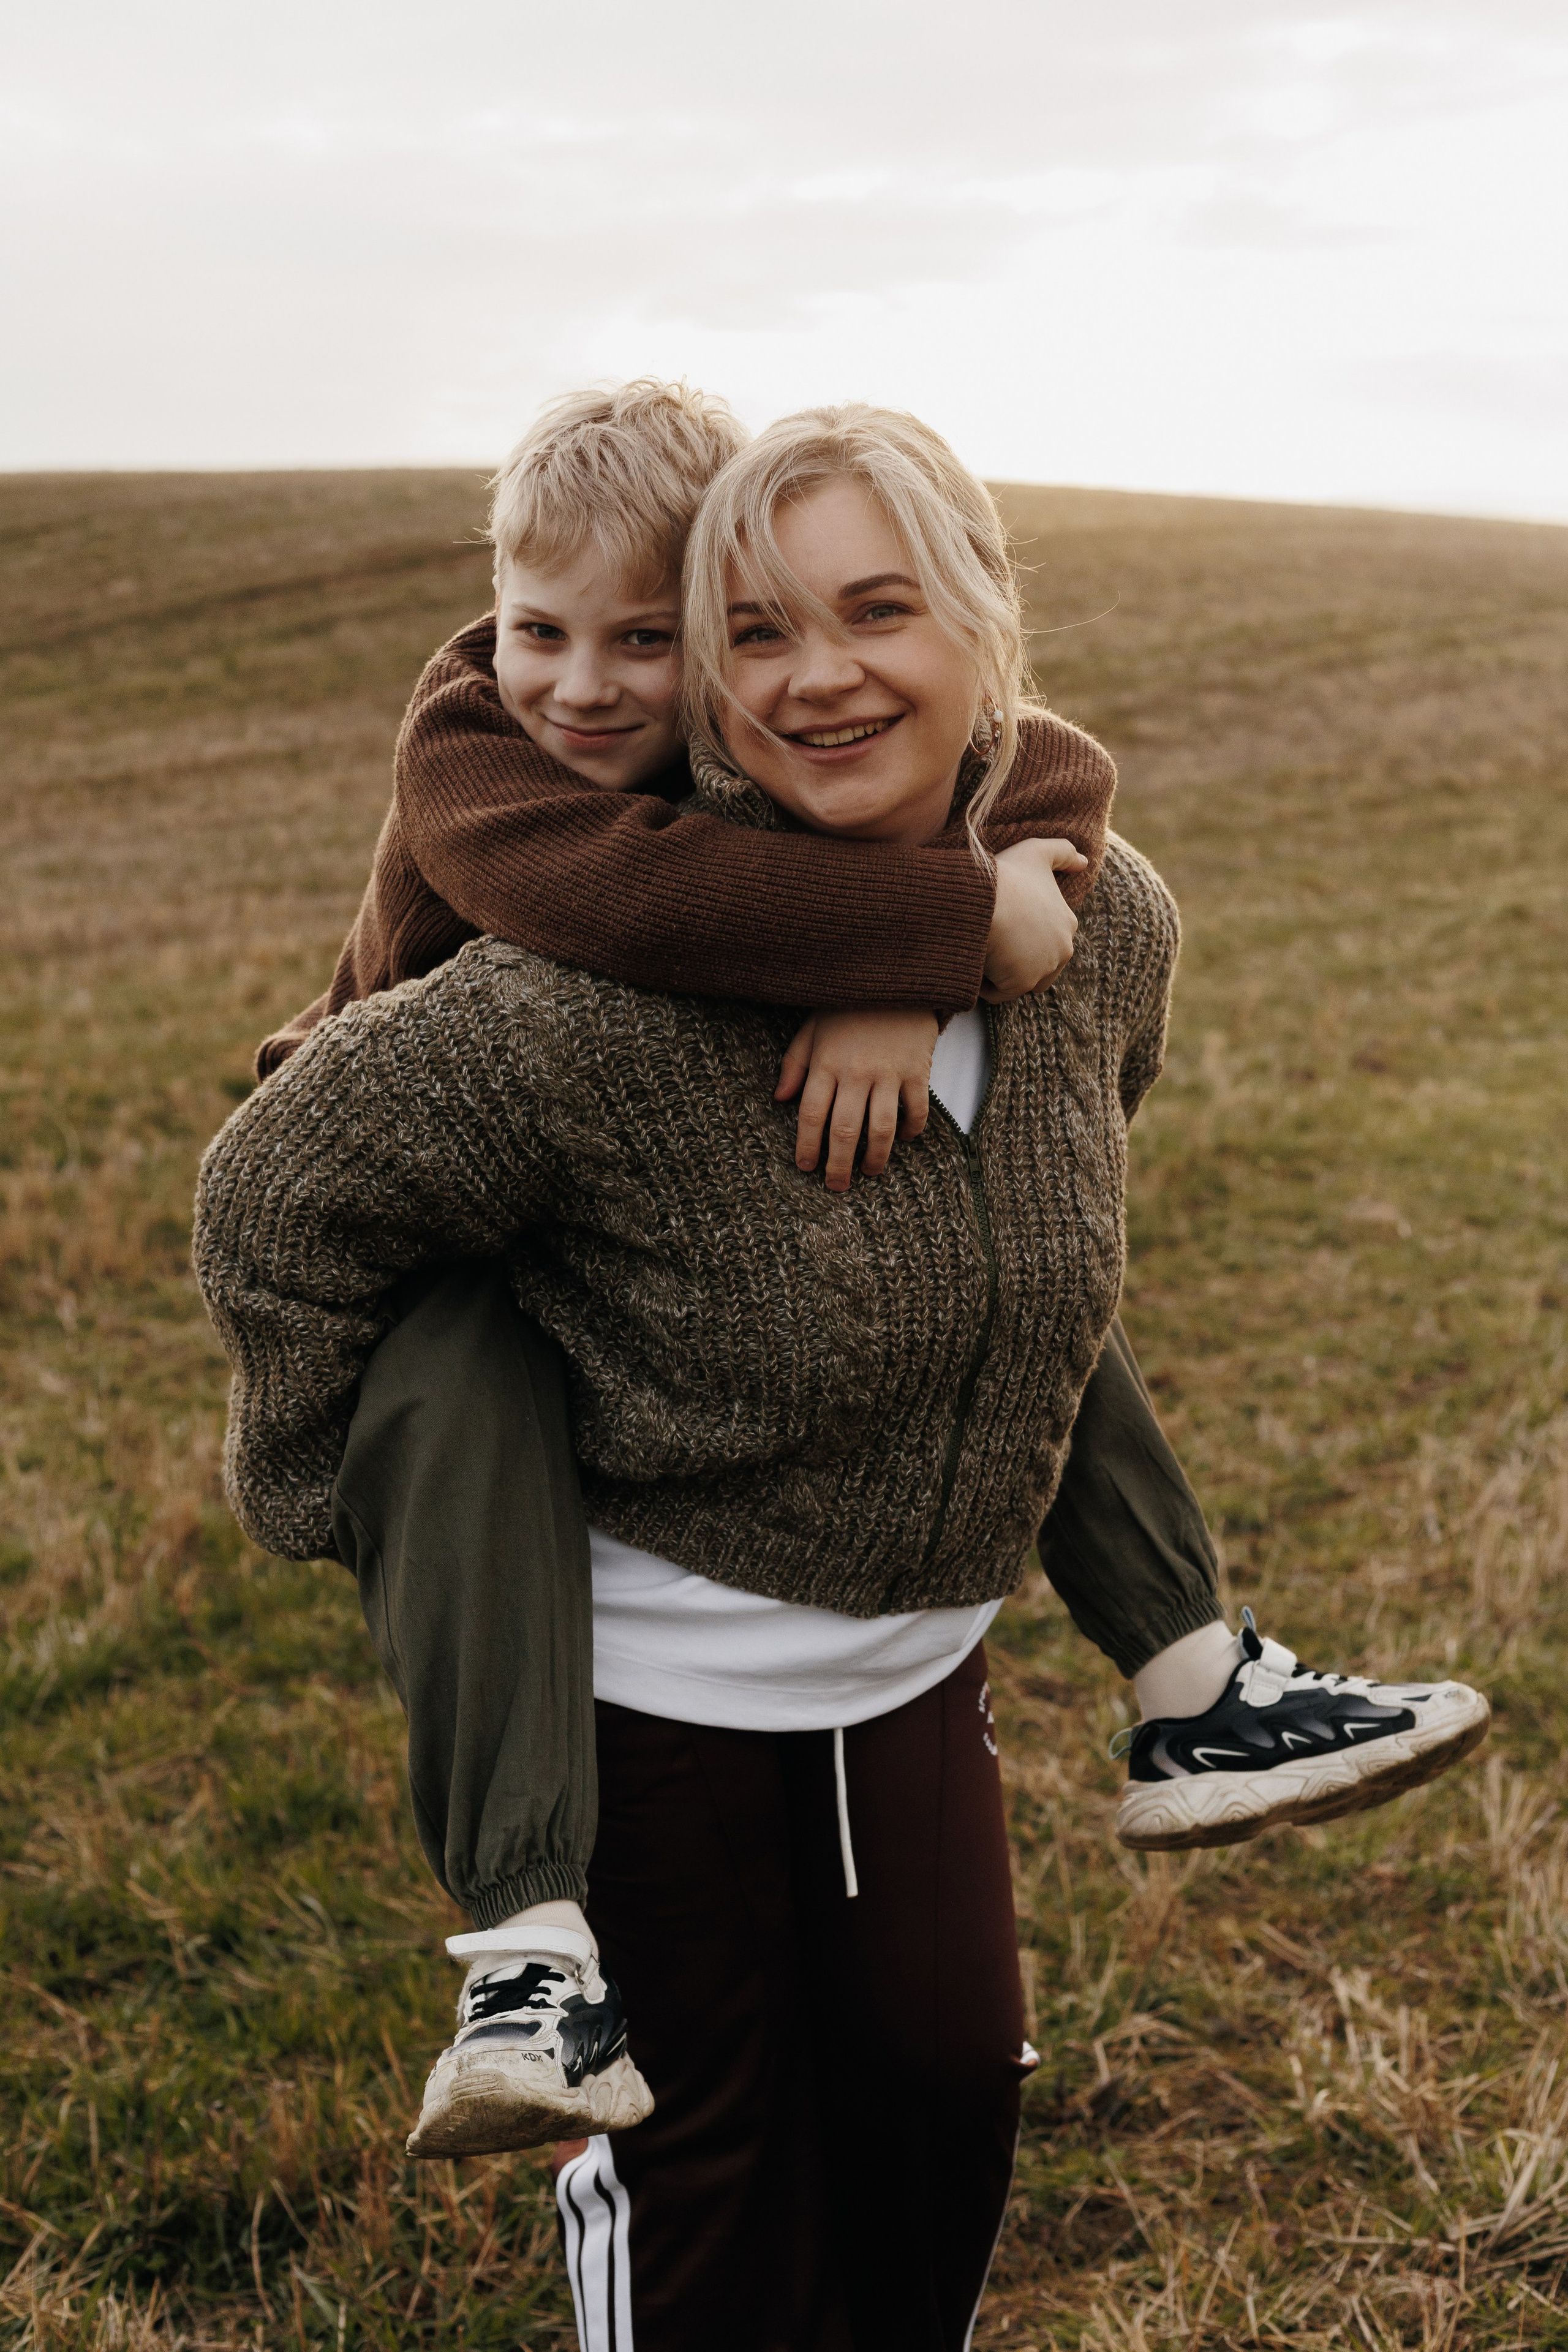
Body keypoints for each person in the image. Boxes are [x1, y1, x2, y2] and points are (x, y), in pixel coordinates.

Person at [197, 405, 1488, 2350]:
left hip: (911, 1674)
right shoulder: (576, 975)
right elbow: (272, 1194)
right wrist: (343, 1479)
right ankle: (530, 1942)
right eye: (758, 633)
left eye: (874, 611)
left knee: (943, 2121)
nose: (816, 677)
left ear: (983, 611)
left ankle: (1200, 1684)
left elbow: (1043, 1173)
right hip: (646, 1698)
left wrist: (937, 951)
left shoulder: (1096, 924)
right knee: (705, 2200)